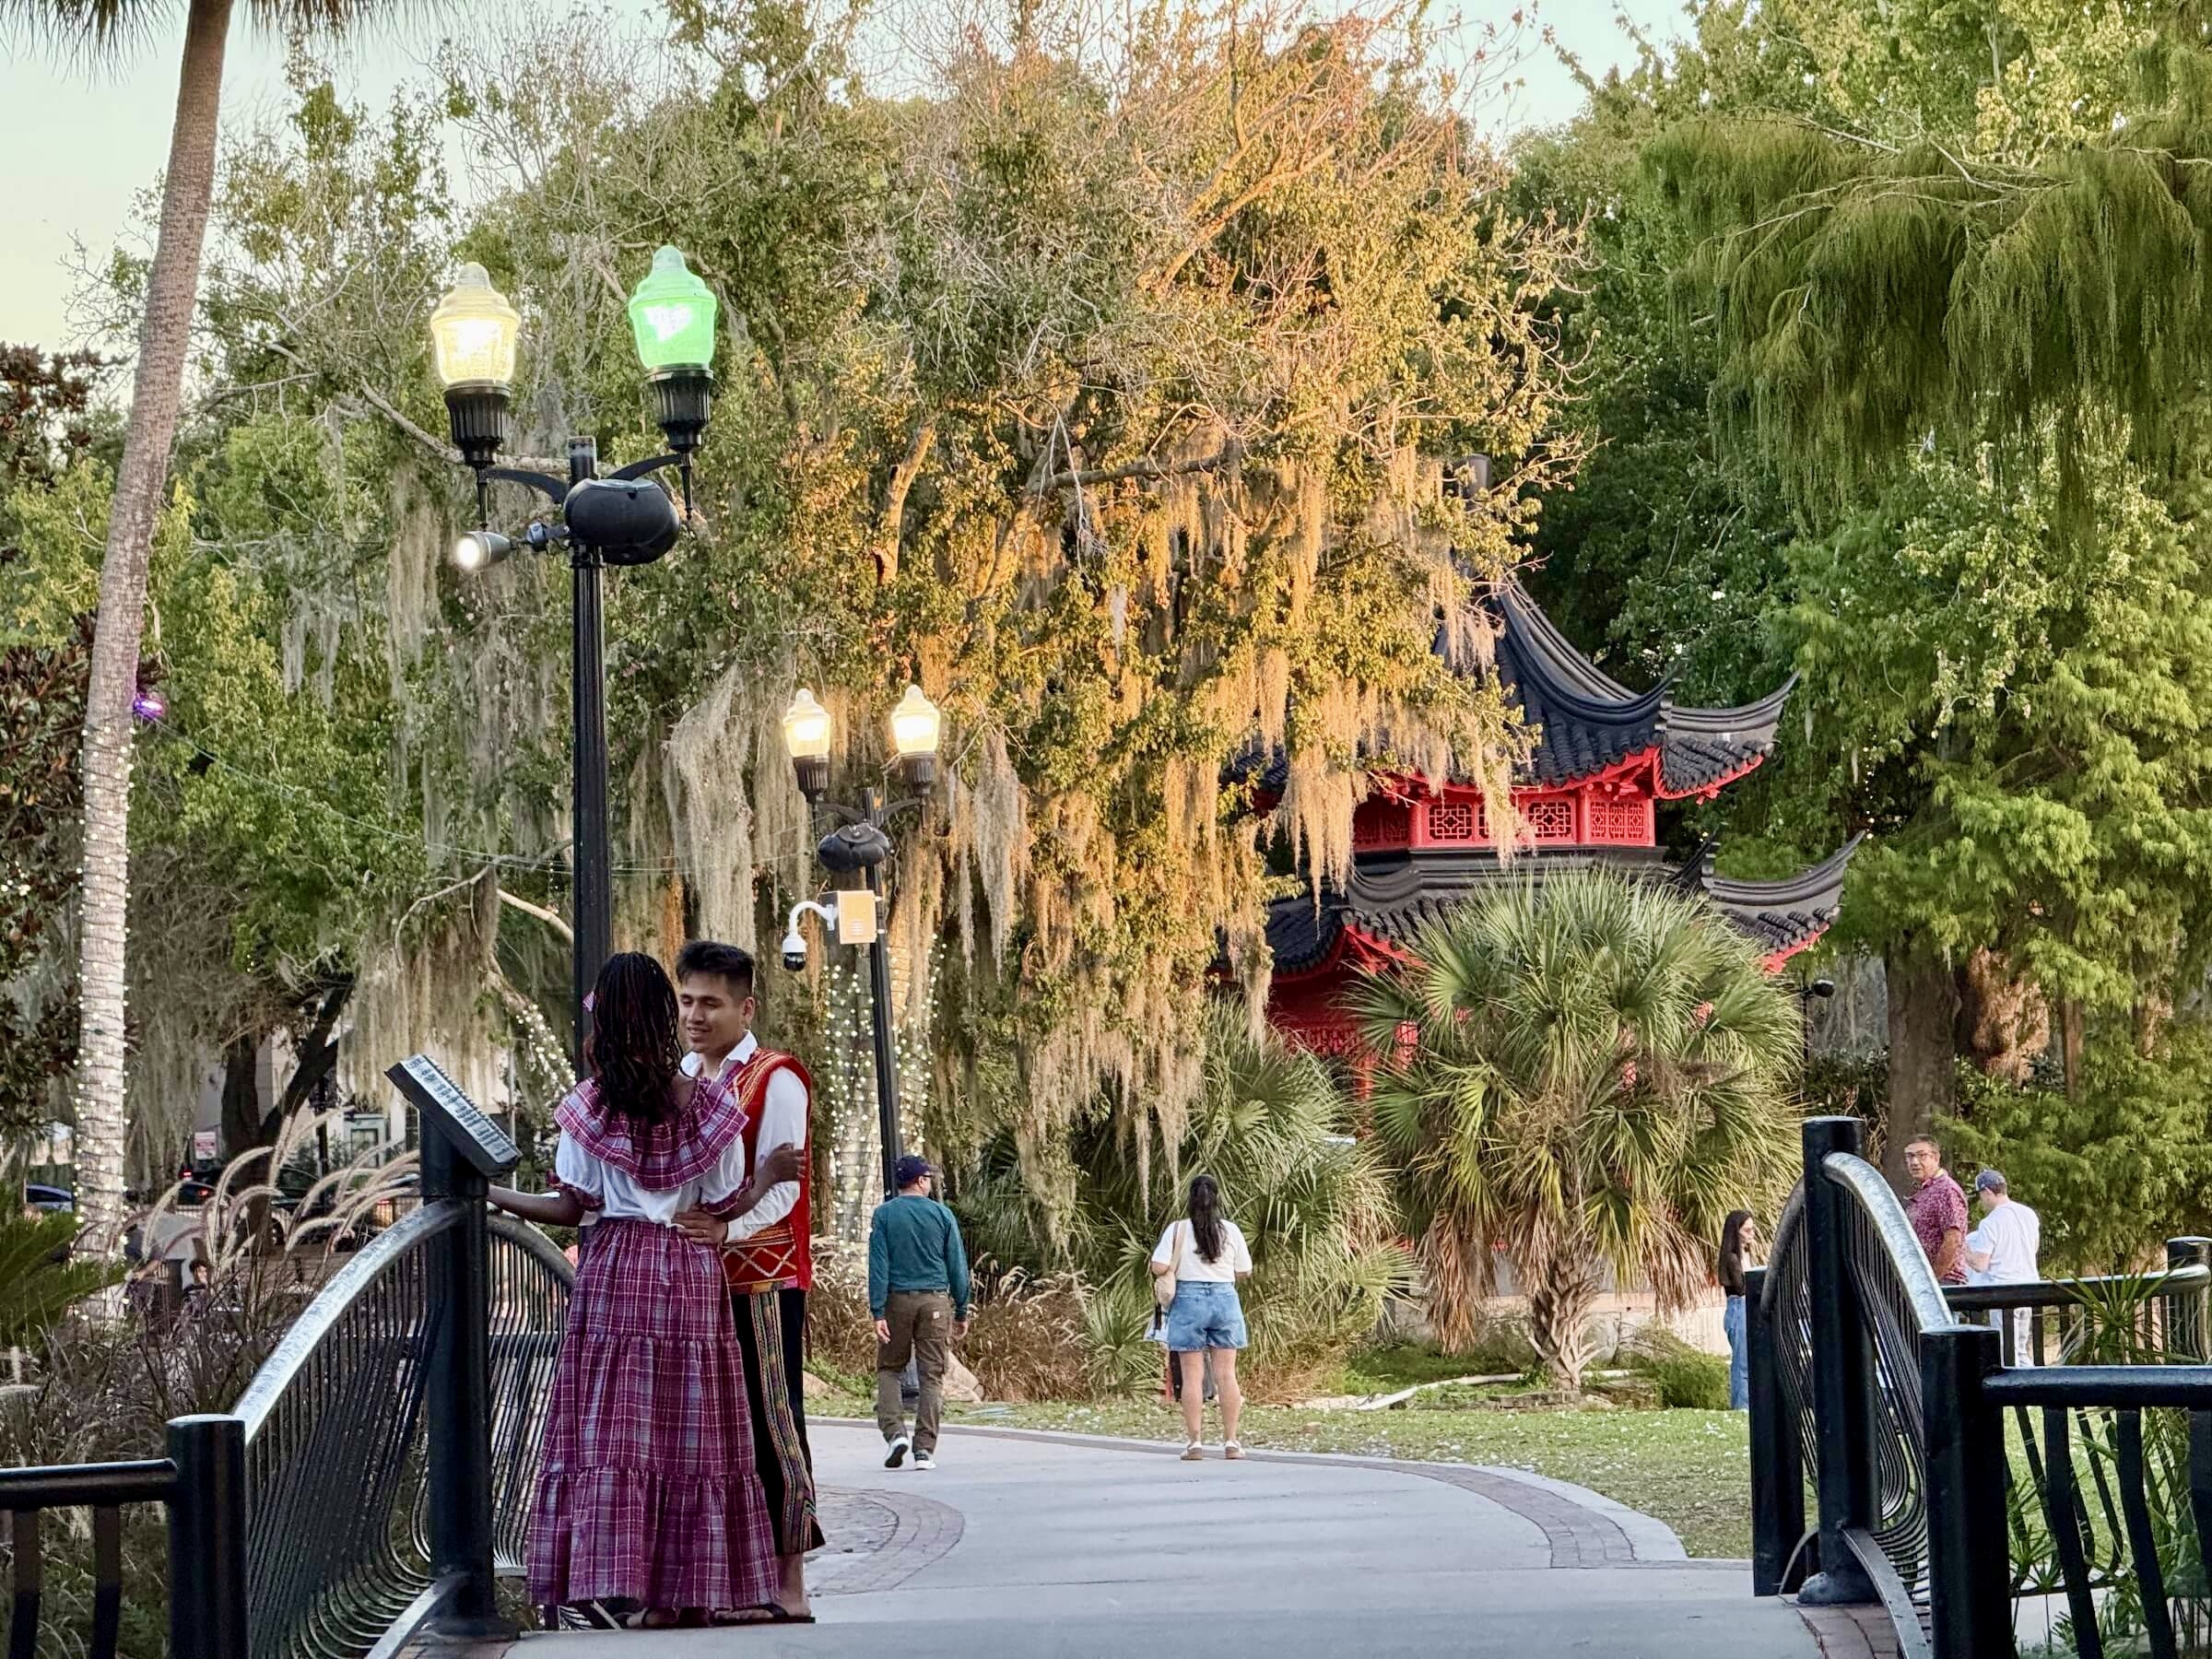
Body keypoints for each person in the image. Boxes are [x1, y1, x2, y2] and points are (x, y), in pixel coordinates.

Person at [488, 952, 790, 1630]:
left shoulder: (590, 1109)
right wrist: (752, 1193)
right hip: (687, 1270)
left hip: (616, 1269)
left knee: (617, 1433)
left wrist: (494, 1196)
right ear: (663, 1015)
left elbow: (571, 1206)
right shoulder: (708, 1106)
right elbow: (723, 1197)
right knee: (693, 1432)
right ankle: (686, 1592)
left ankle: (624, 1581)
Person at [669, 939, 823, 1625]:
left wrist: (725, 1232)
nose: (696, 1016)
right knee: (705, 1434)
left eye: (711, 1002)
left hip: (760, 1282)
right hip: (691, 1283)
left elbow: (784, 1190)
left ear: (744, 1007)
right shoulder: (680, 1076)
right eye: (686, 1001)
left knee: (772, 1422)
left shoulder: (774, 1079)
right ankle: (724, 1580)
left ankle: (790, 1586)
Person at [868, 1155, 971, 1471]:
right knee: (931, 1376)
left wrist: (877, 1311)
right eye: (928, 1177)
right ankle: (924, 1449)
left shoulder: (884, 1215)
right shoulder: (942, 1214)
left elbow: (878, 1265)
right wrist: (962, 1309)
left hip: (897, 1301)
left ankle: (894, 1433)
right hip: (935, 1301)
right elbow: (957, 1264)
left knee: (889, 1368)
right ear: (920, 1181)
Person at [1151, 1174, 1253, 1461]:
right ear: (1217, 1199)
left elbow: (1158, 1266)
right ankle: (1232, 1442)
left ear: (1190, 1199)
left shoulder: (1177, 1229)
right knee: (1226, 1374)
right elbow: (1244, 1270)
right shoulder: (1231, 1231)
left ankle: (1195, 1443)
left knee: (1193, 1377)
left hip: (1188, 1300)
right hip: (1225, 1299)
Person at [1967, 1169, 2041, 1364]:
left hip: (2003, 1292)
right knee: (2022, 1349)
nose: (1982, 1201)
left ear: (1987, 1192)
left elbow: (1981, 1264)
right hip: (2030, 1290)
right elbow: (2033, 1248)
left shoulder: (1990, 1223)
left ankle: (2013, 1392)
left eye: (1981, 1196)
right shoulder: (2028, 1214)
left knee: (2007, 1351)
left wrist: (1964, 1251)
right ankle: (2032, 1388)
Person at [1903, 1135, 1969, 1287]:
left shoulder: (1946, 1190)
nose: (1914, 1162)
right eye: (1910, 1156)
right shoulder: (1926, 1190)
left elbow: (1953, 1239)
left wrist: (1932, 1280)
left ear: (1936, 1158)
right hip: (1923, 1281)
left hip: (1944, 1283)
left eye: (1922, 1155)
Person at [1719, 1210, 1756, 1412]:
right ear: (1737, 1232)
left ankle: (1748, 1403)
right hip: (1738, 1307)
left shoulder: (1745, 1255)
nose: (1751, 1234)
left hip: (1745, 1308)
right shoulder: (1732, 1258)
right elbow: (1741, 1288)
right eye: (1747, 1230)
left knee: (1748, 1361)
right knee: (1742, 1363)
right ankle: (1741, 1407)